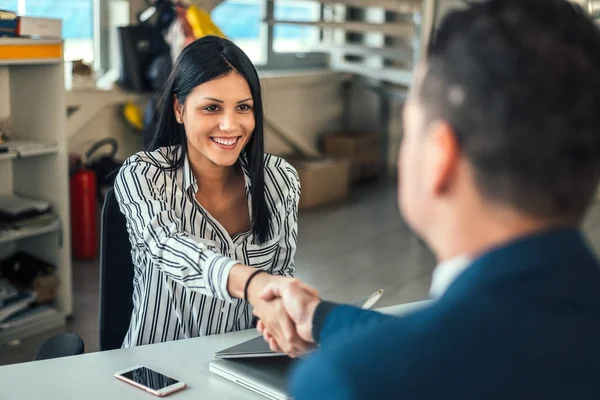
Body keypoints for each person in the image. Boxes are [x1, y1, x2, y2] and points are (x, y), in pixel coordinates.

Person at [255, 0, 600, 398]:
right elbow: (483, 340)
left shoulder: (352, 381)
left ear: (441, 157)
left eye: (410, 129)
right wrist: (319, 317)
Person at [114, 36, 314, 349]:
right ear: (179, 109)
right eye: (211, 108)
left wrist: (288, 320)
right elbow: (167, 246)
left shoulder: (280, 179)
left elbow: (279, 276)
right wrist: (251, 283)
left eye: (243, 107)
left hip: (237, 365)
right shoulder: (143, 174)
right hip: (155, 370)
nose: (230, 125)